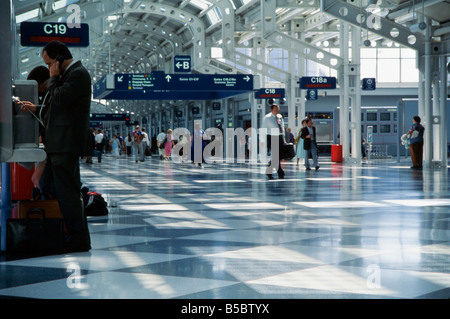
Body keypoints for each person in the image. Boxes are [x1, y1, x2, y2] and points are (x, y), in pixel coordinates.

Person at [22, 40, 92, 252]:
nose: (48, 66)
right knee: (62, 191)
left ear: (60, 59)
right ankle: (72, 234)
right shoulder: (67, 76)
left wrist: (52, 79)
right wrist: (37, 109)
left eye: (49, 62)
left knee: (68, 193)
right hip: (59, 143)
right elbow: (57, 109)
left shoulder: (78, 74)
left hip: (65, 144)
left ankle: (78, 239)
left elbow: (61, 98)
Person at [262, 104, 285, 179]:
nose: (276, 111)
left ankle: (269, 171)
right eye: (275, 109)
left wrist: (283, 137)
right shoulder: (267, 118)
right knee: (276, 155)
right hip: (271, 137)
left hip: (279, 137)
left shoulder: (280, 116)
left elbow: (282, 127)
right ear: (271, 110)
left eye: (277, 109)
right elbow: (263, 128)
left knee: (279, 155)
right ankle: (280, 172)